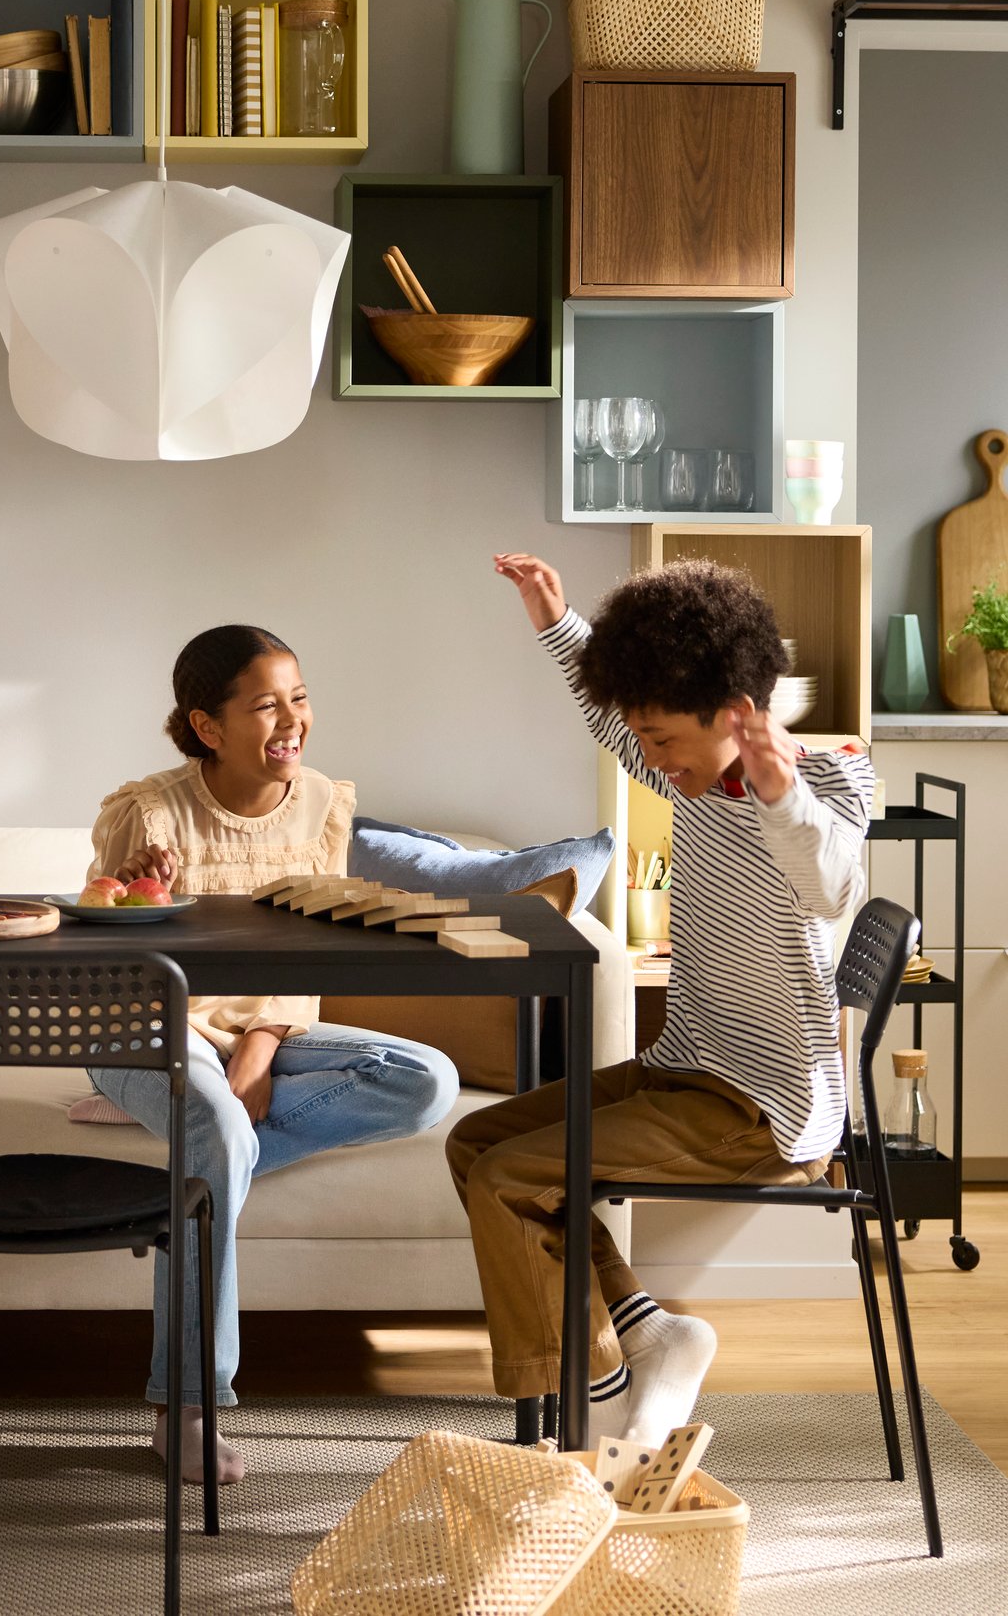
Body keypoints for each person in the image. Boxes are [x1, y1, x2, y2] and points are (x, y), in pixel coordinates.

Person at [445, 552, 874, 1446]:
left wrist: (780, 790)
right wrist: (558, 625)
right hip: (682, 1068)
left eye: (664, 739)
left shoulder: (824, 781)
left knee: (511, 1176)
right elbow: (612, 722)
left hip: (767, 1103)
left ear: (735, 716)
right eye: (646, 739)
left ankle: (578, 1415)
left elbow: (834, 887)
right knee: (476, 1139)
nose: (649, 757)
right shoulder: (686, 769)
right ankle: (645, 1335)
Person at [83, 624, 459, 1484]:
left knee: (423, 1079)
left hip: (261, 1031)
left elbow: (307, 953)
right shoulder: (149, 810)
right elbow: (108, 950)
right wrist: (148, 894)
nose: (292, 720)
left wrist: (256, 1051)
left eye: (298, 697)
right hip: (146, 1027)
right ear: (207, 726)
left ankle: (206, 1167)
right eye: (265, 705)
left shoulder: (325, 801)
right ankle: (188, 1405)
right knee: (210, 1112)